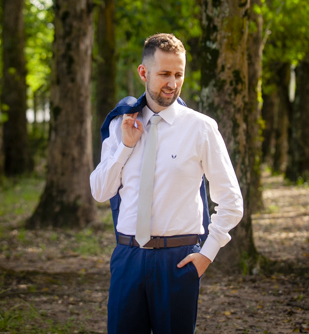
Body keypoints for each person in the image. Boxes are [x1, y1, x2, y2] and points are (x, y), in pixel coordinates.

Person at [90, 33, 243, 334]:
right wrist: (126, 146)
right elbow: (99, 191)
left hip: (178, 260)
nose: (172, 83)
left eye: (178, 74)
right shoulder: (120, 124)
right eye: (164, 74)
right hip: (128, 257)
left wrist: (207, 254)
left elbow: (231, 201)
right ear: (143, 73)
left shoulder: (201, 128)